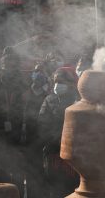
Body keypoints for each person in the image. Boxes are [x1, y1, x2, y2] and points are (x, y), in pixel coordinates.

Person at [38, 67, 79, 198]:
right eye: (56, 81)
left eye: (61, 82)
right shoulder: (49, 99)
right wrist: (53, 138)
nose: (57, 85)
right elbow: (42, 123)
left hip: (74, 155)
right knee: (55, 189)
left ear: (71, 83)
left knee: (73, 189)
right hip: (53, 152)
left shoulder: (78, 101)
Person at [0, 54, 26, 142]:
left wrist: (24, 124)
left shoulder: (21, 83)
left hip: (17, 122)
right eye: (6, 66)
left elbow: (25, 105)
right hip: (1, 122)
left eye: (11, 66)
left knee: (15, 145)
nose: (8, 69)